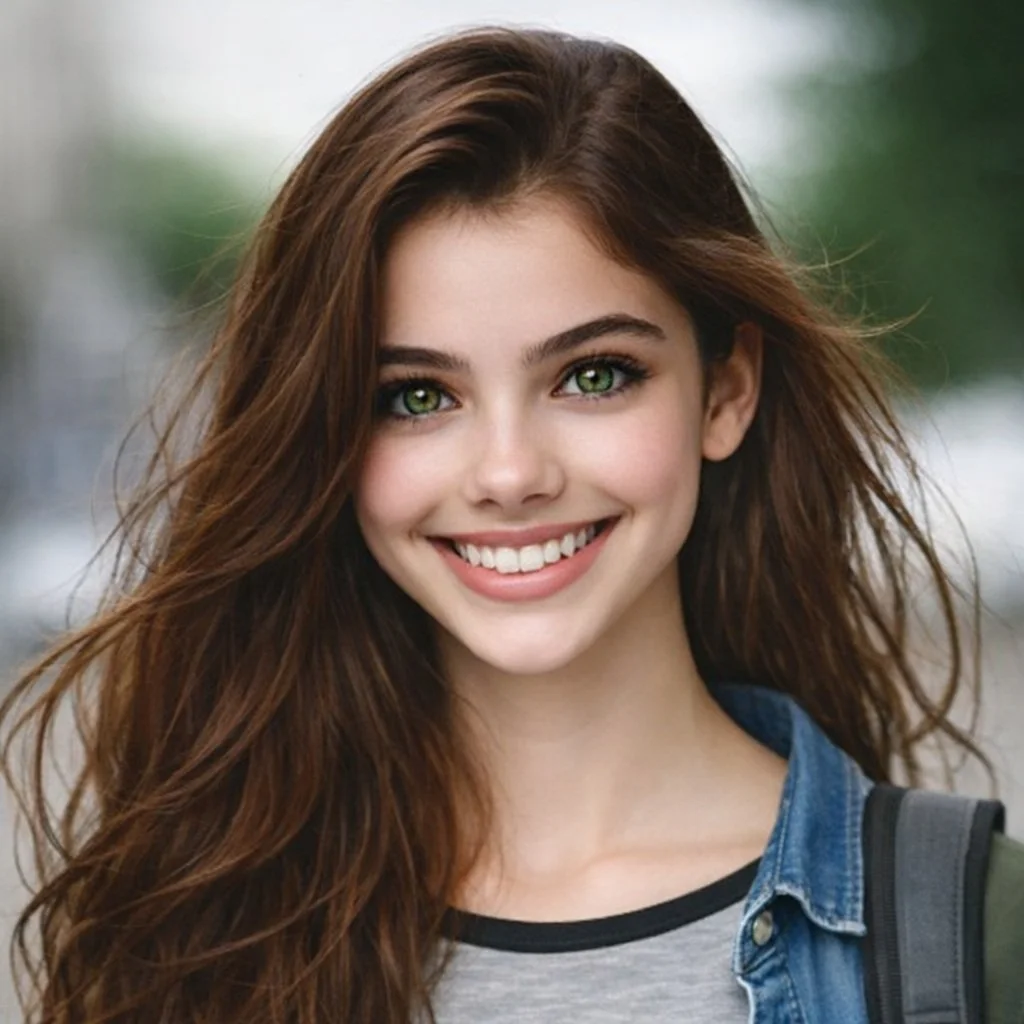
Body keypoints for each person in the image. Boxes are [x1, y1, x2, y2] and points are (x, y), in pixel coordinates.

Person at [1, 25, 1021, 1024]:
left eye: (592, 375)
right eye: (413, 396)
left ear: (725, 392)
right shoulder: (189, 933)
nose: (508, 473)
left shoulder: (979, 936)